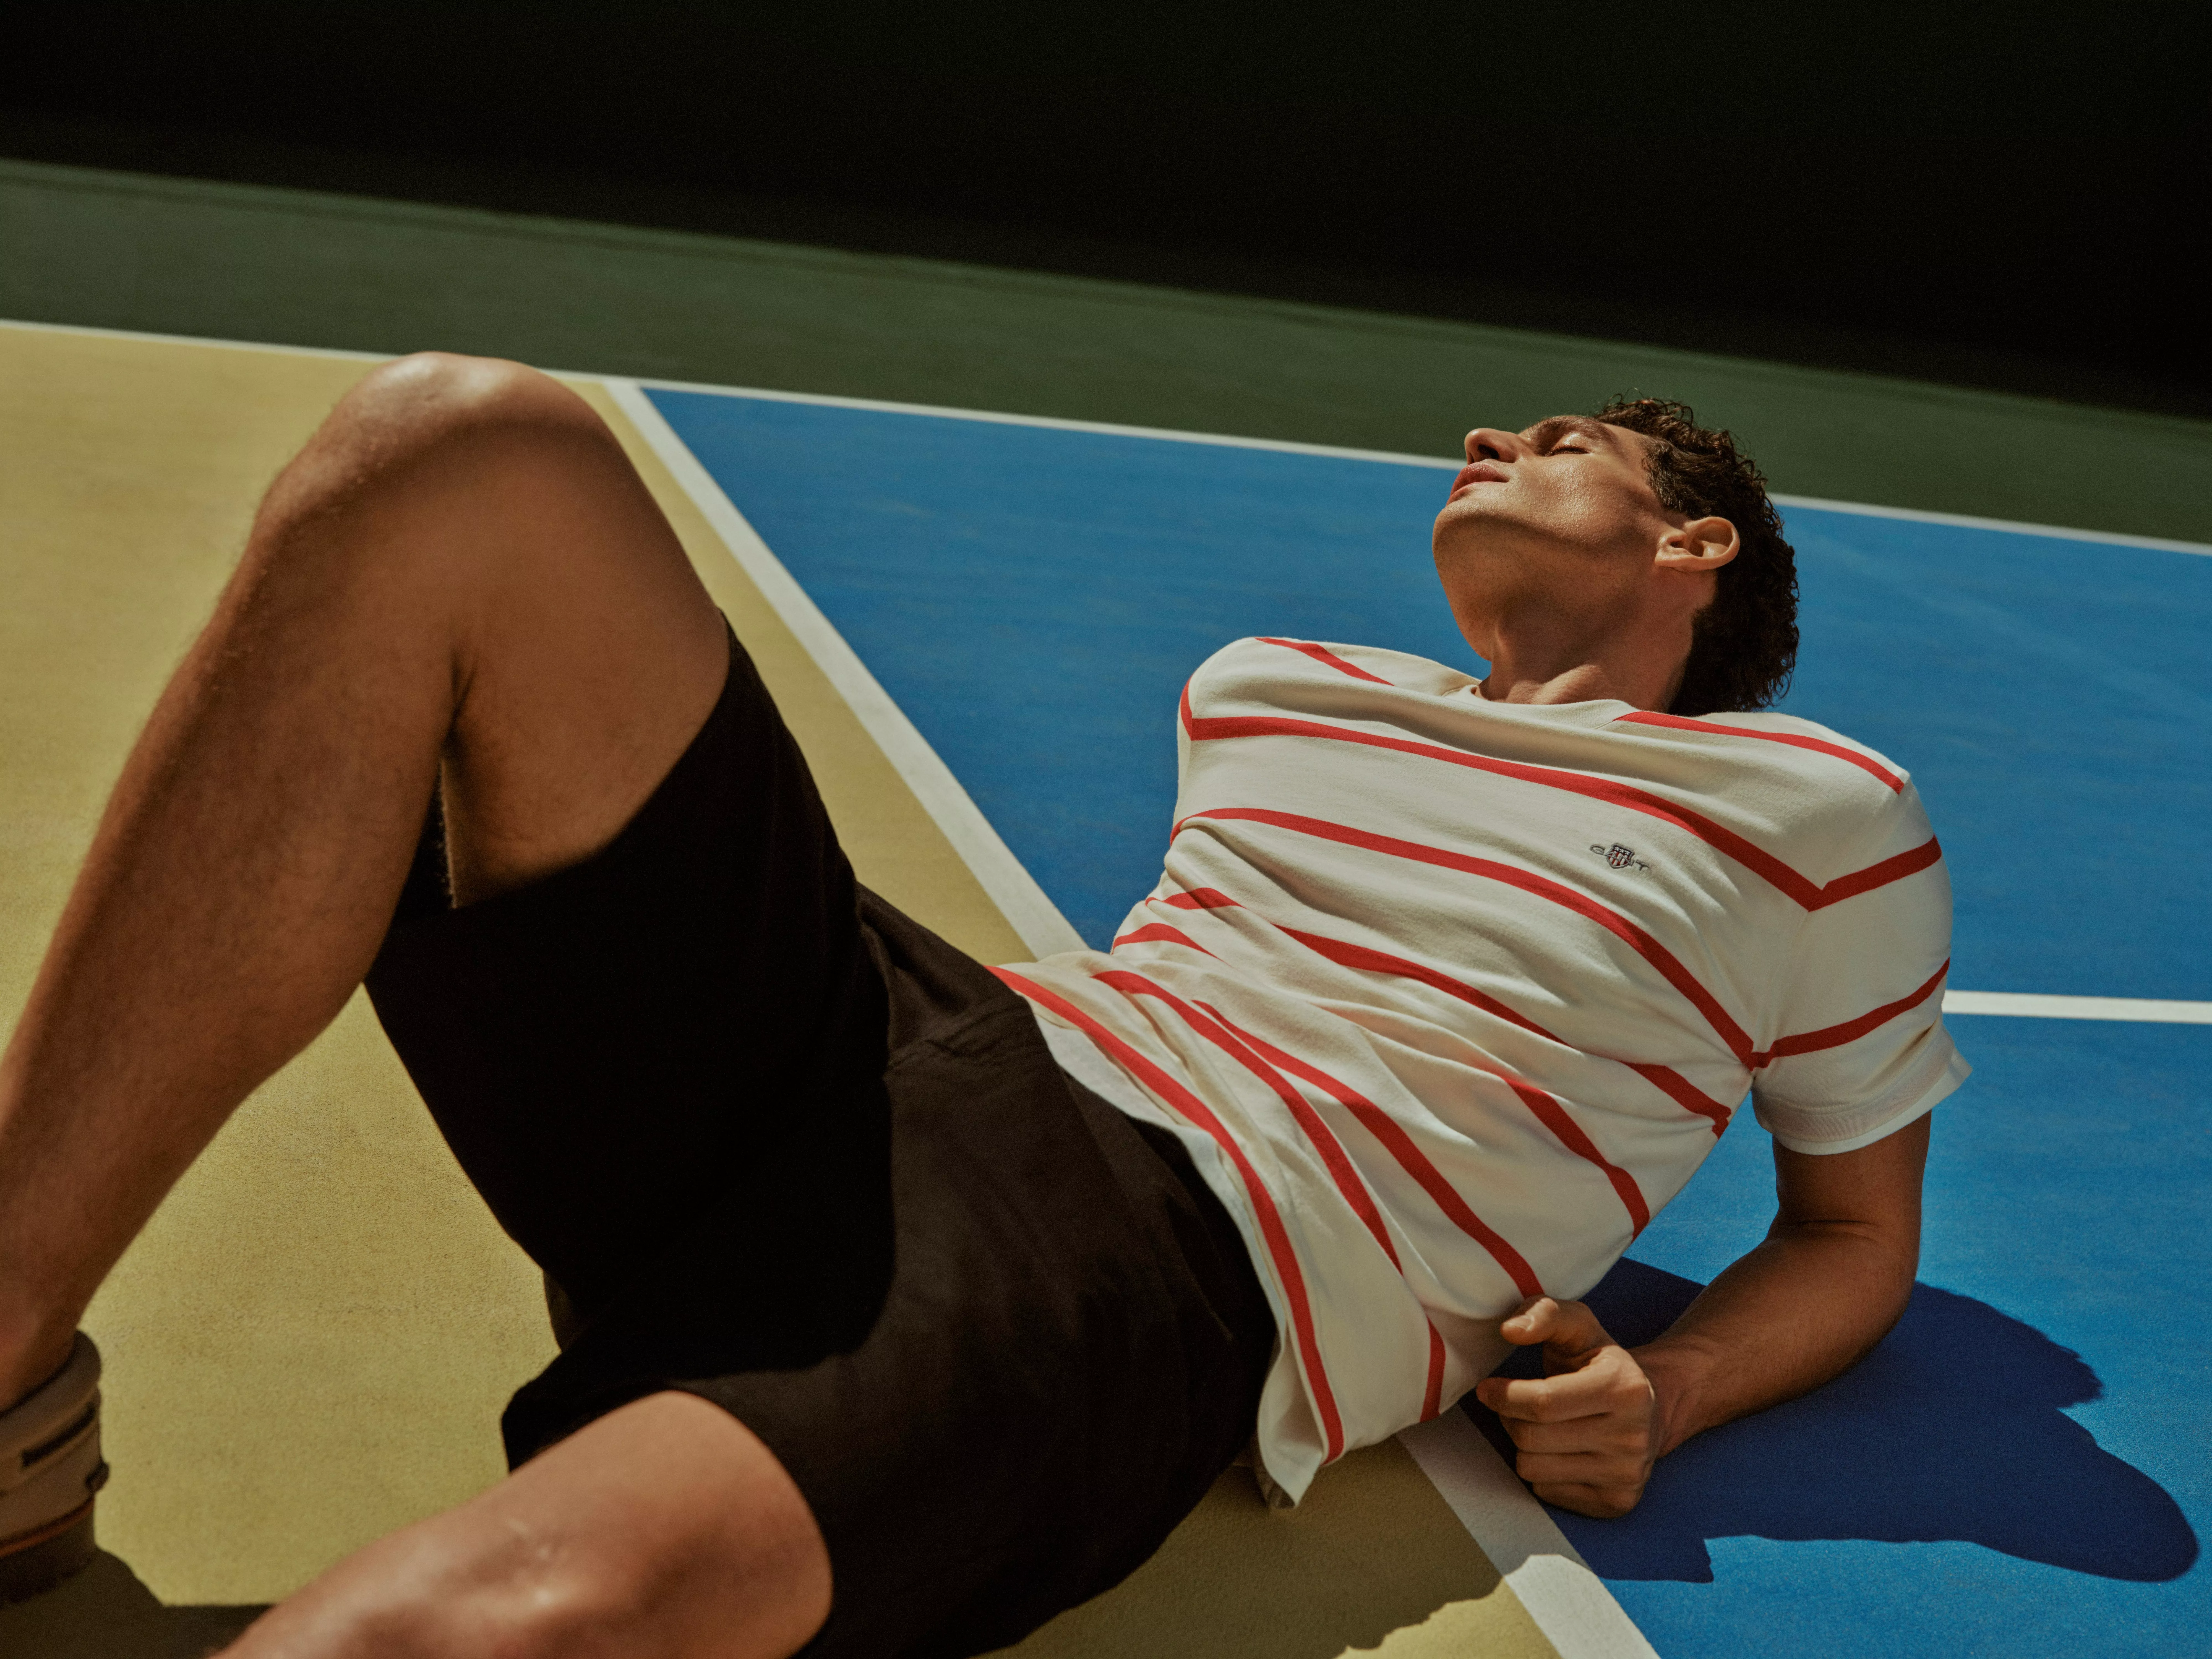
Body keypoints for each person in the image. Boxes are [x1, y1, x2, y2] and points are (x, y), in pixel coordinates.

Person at [0, 356, 1965, 1656]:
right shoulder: (1266, 679)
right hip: (925, 1032)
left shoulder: (1814, 813)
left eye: (1560, 448)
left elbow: (1856, 1233)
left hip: (1162, 1244)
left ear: (1694, 545)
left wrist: (1675, 1388)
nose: (1483, 443)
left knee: (443, 1625)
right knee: (461, 450)